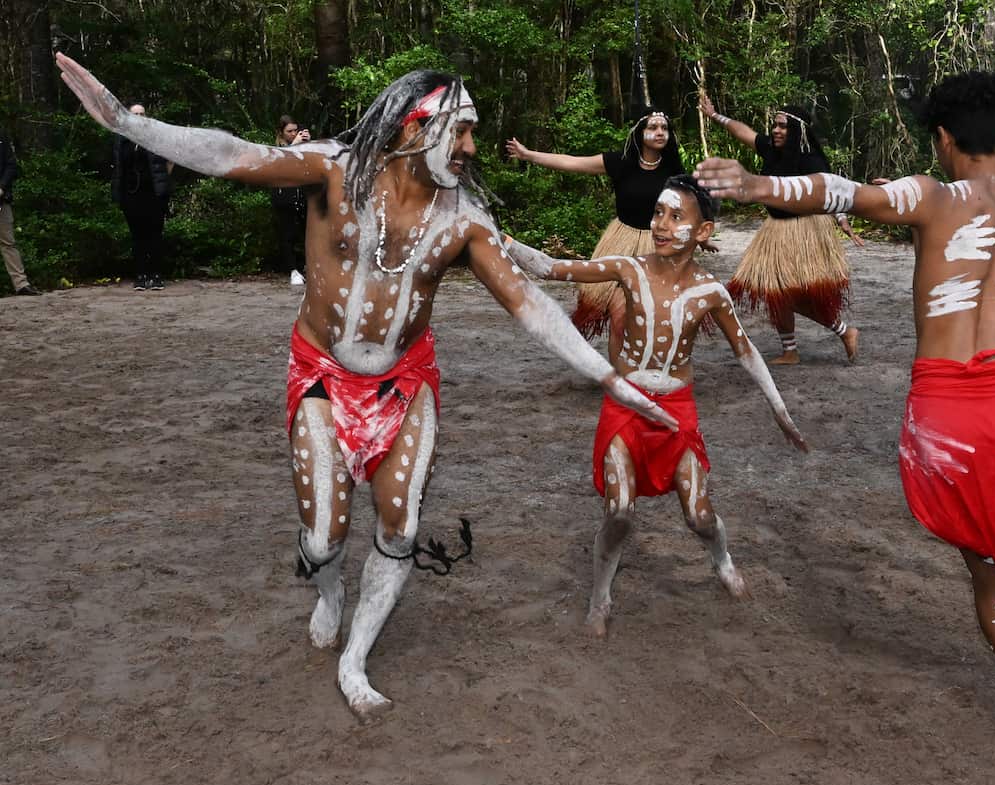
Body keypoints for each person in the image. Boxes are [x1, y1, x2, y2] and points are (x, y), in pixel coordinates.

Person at [57, 52, 677, 721]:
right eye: (461, 129)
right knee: (322, 538)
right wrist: (127, 124)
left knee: (402, 524)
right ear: (416, 126)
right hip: (323, 374)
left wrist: (611, 379)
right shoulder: (334, 169)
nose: (471, 146)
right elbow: (233, 153)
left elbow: (530, 306)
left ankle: (356, 658)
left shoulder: (463, 218)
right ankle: (328, 592)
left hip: (406, 384)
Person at [695, 71, 995, 784]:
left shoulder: (932, 196)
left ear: (943, 139)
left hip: (945, 415)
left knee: (990, 571)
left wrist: (757, 186)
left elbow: (841, 191)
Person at [503, 176, 807, 636]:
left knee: (699, 516)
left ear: (702, 232)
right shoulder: (629, 268)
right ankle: (600, 597)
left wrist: (780, 411)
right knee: (619, 511)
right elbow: (549, 268)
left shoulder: (711, 293)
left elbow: (746, 351)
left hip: (677, 411)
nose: (662, 225)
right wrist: (498, 238)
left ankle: (721, 559)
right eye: (659, 214)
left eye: (676, 216)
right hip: (626, 408)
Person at [506, 109, 707, 360]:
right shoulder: (620, 162)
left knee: (656, 318)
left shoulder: (674, 172)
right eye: (653, 127)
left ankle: (651, 372)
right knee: (620, 317)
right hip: (621, 245)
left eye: (664, 128)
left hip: (660, 250)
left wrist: (701, 237)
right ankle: (621, 379)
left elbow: (690, 208)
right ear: (639, 132)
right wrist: (528, 155)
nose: (659, 133)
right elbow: (572, 162)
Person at [699, 94, 860, 365]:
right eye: (774, 125)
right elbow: (745, 134)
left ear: (797, 130)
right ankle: (791, 350)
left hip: (806, 230)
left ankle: (844, 331)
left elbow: (830, 191)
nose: (775, 130)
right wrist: (715, 116)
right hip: (776, 230)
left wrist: (842, 219)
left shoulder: (811, 161)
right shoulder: (771, 149)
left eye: (782, 126)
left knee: (789, 293)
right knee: (774, 292)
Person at [112, 104, 172, 291]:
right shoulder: (122, 138)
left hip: (153, 195)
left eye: (141, 113)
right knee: (137, 237)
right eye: (135, 113)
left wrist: (164, 185)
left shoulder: (155, 137)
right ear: (129, 116)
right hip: (131, 195)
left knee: (155, 235)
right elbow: (118, 167)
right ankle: (140, 275)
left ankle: (155, 275)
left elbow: (170, 160)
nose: (138, 116)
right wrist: (118, 193)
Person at [272, 115, 311, 286]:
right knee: (287, 234)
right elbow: (280, 163)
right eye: (289, 131)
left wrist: (309, 143)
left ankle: (308, 266)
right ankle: (292, 270)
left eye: (295, 130)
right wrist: (294, 144)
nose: (293, 133)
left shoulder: (302, 145)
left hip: (302, 194)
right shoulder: (276, 149)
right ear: (281, 132)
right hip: (284, 195)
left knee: (308, 233)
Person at [0, 131, 40, 296]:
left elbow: (11, 165)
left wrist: (2, 187)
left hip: (1, 200)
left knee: (8, 242)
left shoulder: (1, 138)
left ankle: (21, 284)